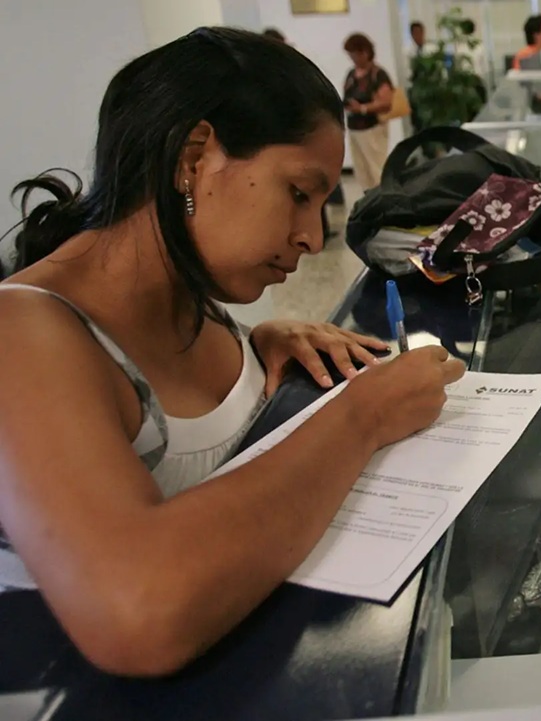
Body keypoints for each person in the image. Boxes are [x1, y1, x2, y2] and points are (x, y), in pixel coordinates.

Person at [0, 27, 465, 676]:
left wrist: (254, 345)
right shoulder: (21, 335)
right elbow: (135, 607)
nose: (310, 237)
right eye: (299, 193)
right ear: (194, 158)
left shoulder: (196, 300)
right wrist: (363, 414)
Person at [342, 32, 394, 190]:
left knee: (376, 170)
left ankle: (383, 204)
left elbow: (386, 103)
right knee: (362, 172)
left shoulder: (378, 75)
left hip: (372, 129)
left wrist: (363, 108)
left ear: (365, 52)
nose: (353, 59)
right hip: (354, 129)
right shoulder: (351, 74)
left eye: (355, 54)